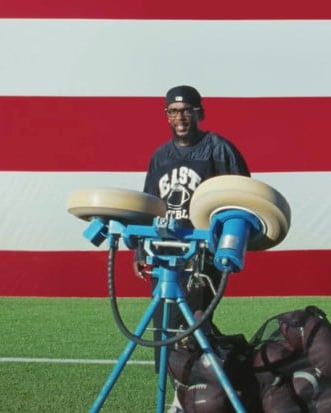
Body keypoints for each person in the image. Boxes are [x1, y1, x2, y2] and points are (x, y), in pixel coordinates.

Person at [132, 85, 250, 381]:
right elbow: (150, 204)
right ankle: (175, 388)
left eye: (186, 110)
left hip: (201, 255)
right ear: (166, 116)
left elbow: (243, 196)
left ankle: (198, 390)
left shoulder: (218, 149)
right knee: (163, 327)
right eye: (173, 111)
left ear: (200, 113)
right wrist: (139, 250)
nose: (180, 117)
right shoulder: (160, 157)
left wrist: (227, 243)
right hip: (164, 254)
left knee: (193, 325)